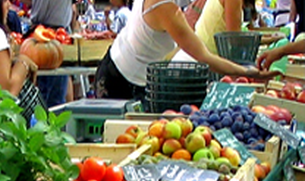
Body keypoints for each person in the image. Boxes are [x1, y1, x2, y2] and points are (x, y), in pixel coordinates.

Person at [95, 0, 278, 103]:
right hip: (120, 82)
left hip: (122, 70)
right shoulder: (165, 8)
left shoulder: (171, 6)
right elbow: (204, 56)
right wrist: (248, 71)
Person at [28, 0, 74, 107]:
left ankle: (51, 120)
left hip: (55, 32)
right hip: (43, 31)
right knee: (47, 93)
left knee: (54, 94)